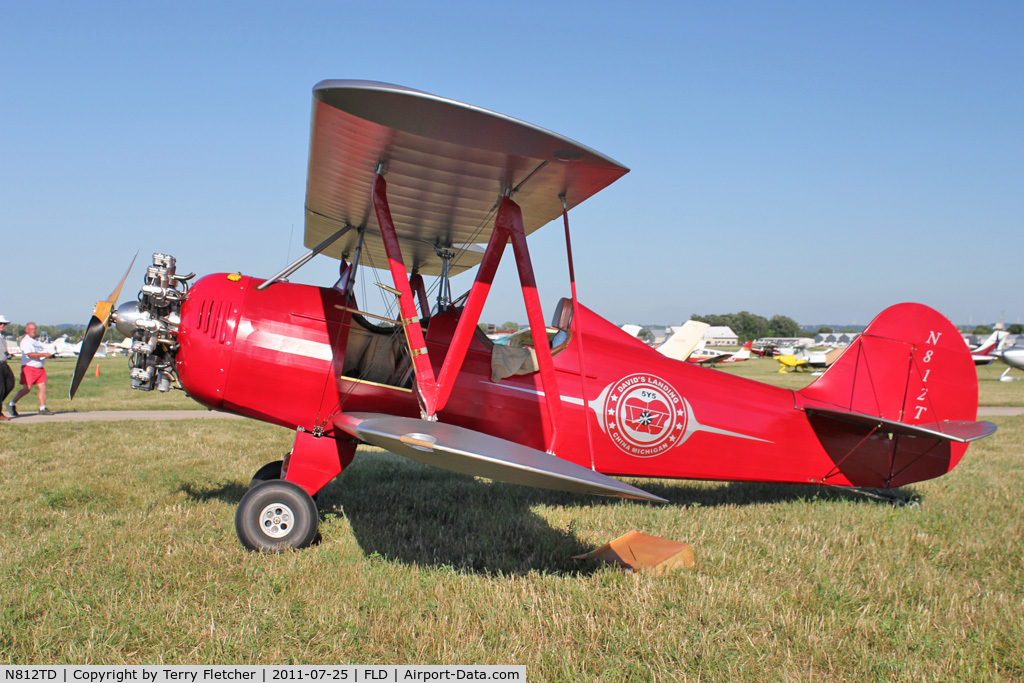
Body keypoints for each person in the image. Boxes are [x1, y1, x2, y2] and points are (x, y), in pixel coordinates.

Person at [9, 322, 54, 416]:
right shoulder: (26, 341)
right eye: (31, 329)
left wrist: (48, 354)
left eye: (34, 328)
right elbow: (30, 354)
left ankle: (42, 408)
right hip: (29, 367)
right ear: (26, 330)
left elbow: (41, 351)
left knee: (42, 386)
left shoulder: (36, 341)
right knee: (27, 389)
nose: (33, 330)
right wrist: (43, 355)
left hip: (39, 367)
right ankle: (12, 403)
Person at [0, 315, 15, 421]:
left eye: (3, 324)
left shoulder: (2, 337)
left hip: (4, 363)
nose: (2, 326)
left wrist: (8, 355)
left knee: (10, 384)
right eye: (0, 324)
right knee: (1, 389)